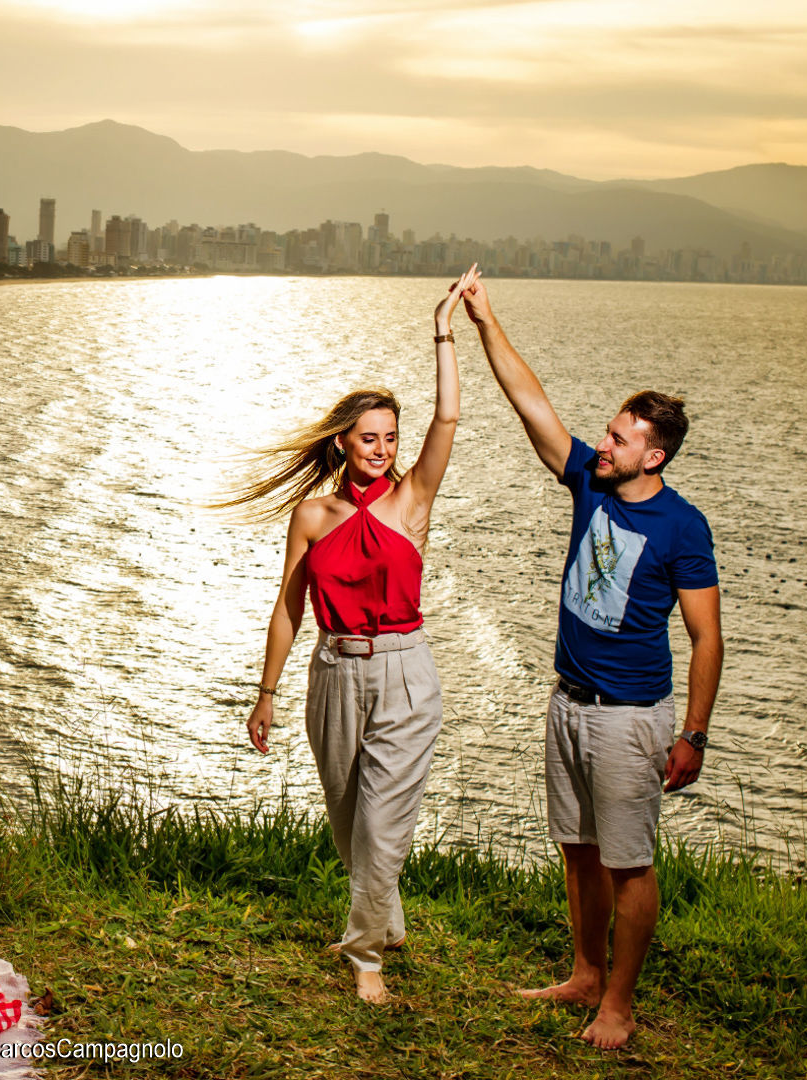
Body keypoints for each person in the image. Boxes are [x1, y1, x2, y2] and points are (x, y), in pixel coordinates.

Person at [460, 274, 724, 1049]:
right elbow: (528, 400)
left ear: (656, 453)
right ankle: (582, 971)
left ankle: (619, 1003)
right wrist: (485, 319)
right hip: (567, 702)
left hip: (631, 719)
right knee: (577, 849)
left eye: (618, 438)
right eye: (606, 434)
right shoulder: (589, 482)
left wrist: (695, 736)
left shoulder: (683, 528)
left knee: (629, 863)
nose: (601, 444)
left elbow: (707, 637)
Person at [236, 265, 478, 1003]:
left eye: (389, 438)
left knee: (381, 823)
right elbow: (288, 607)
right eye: (368, 438)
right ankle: (386, 912)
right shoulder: (312, 515)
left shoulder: (412, 500)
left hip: (406, 675)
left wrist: (443, 330)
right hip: (333, 676)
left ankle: (366, 954)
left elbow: (447, 422)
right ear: (343, 442)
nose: (381, 448)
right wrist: (266, 692)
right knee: (349, 826)